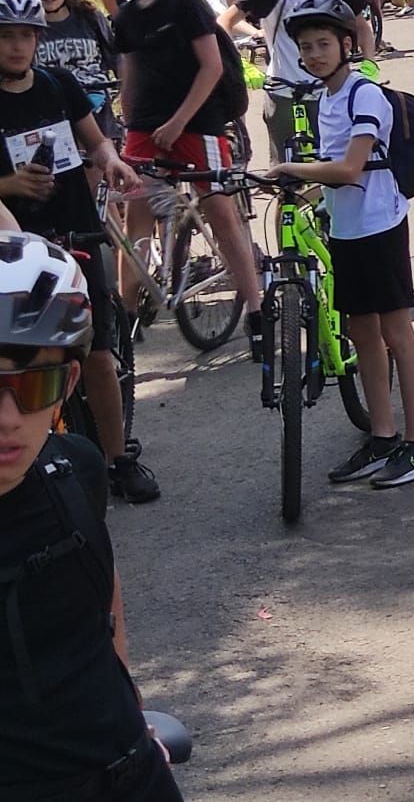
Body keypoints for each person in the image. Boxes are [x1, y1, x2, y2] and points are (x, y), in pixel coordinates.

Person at [0, 232, 187, 800]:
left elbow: (102, 606)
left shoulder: (77, 468)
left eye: (34, 383)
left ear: (69, 385)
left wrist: (131, 716)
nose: (7, 418)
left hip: (135, 773)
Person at [256, 0, 414, 489]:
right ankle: (383, 436)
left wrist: (288, 169)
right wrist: (303, 190)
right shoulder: (329, 98)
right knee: (362, 333)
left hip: (380, 226)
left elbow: (349, 169)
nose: (314, 54)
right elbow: (338, 179)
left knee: (396, 333)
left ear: (346, 45)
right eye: (305, 47)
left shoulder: (364, 95)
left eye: (323, 44)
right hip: (346, 229)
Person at [0, 0, 155, 503]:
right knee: (20, 366)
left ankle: (117, 458)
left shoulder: (57, 84)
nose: (17, 46)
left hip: (78, 238)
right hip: (15, 256)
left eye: (26, 36)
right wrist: (10, 186)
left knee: (98, 359)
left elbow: (95, 140)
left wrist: (111, 159)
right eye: (6, 36)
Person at [103, 0, 263, 369]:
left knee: (221, 212)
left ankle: (254, 310)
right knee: (134, 217)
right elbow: (130, 73)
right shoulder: (128, 14)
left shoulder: (184, 0)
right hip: (146, 127)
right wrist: (126, 127)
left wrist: (178, 122)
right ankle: (128, 319)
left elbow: (211, 67)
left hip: (199, 121)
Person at [222, 0, 376, 161]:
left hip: (330, 91)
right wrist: (240, 65)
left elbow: (361, 24)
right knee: (286, 176)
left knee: (336, 170)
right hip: (283, 92)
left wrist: (370, 62)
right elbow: (224, 22)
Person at [24, 0, 119, 137]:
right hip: (51, 122)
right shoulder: (26, 29)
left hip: (99, 118)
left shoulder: (90, 18)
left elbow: (117, 61)